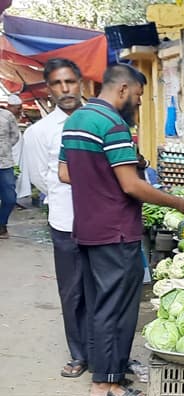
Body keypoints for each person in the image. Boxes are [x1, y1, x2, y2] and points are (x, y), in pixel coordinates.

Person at [58, 64, 184, 396]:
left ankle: (107, 368)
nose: (136, 104)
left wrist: (102, 179)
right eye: (136, 97)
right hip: (116, 231)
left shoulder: (75, 120)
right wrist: (180, 203)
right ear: (122, 90)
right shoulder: (113, 125)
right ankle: (106, 385)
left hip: (88, 227)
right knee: (116, 308)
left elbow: (65, 173)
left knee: (97, 304)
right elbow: (131, 185)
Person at [22, 58, 91, 378]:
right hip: (66, 222)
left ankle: (106, 353)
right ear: (49, 89)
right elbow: (39, 177)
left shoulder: (98, 119)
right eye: (57, 84)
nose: (65, 89)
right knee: (73, 290)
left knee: (104, 289)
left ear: (81, 83)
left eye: (70, 82)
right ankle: (78, 354)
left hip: (103, 218)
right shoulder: (40, 132)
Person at [0, 94, 22, 239]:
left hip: (5, 164)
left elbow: (15, 136)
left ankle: (2, 224)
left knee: (10, 198)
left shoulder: (7, 116)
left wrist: (5, 148)